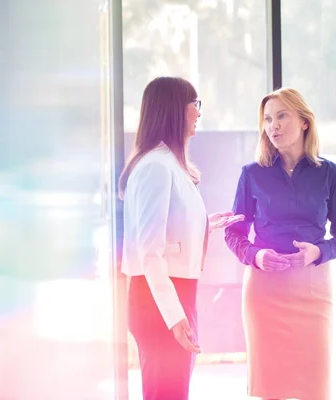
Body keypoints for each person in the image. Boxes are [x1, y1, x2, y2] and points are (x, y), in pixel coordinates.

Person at [224, 87, 336, 400]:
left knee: (314, 387)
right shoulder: (252, 174)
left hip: (312, 289)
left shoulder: (331, 174)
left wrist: (319, 251)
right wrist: (256, 256)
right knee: (270, 389)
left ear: (304, 121)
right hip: (264, 291)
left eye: (282, 116)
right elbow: (234, 233)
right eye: (268, 119)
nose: (274, 126)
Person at [118, 76, 244, 400]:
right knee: (167, 392)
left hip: (174, 293)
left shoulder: (169, 163)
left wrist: (205, 224)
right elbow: (149, 251)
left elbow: (168, 230)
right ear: (175, 109)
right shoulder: (156, 167)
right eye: (195, 104)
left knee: (172, 391)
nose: (199, 113)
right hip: (159, 297)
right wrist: (174, 317)